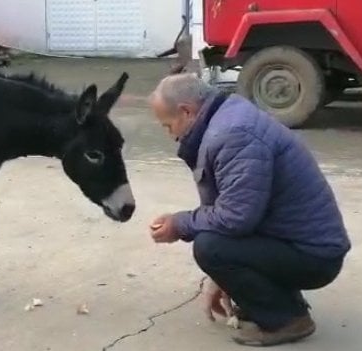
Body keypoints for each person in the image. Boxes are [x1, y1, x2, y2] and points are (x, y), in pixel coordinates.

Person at [147, 73, 351, 347]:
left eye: (167, 125)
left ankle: (288, 320)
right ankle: (282, 304)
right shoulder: (228, 116)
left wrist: (180, 224)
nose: (170, 135)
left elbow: (235, 218)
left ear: (186, 111)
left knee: (209, 246)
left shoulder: (234, 134)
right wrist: (224, 278)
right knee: (215, 242)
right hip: (299, 242)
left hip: (315, 257)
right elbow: (238, 209)